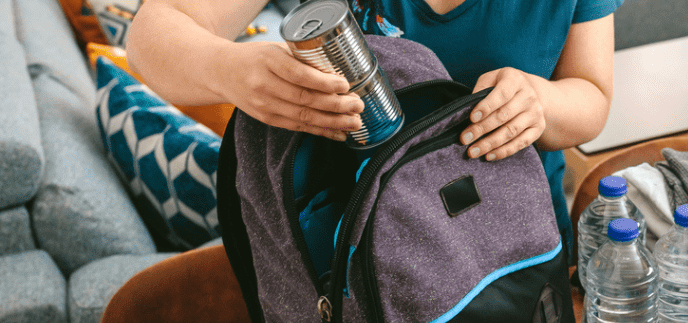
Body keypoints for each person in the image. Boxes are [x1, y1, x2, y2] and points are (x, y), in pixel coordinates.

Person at [126, 0, 619, 253]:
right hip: (357, 271)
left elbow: (591, 96)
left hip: (519, 257)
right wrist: (231, 70)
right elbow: (152, 34)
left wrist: (541, 102)